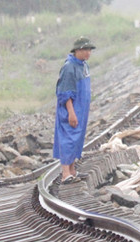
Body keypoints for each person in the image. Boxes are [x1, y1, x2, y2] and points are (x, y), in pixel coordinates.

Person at [53, 36, 95, 184]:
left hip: (81, 109)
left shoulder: (83, 65)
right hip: (71, 109)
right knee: (68, 139)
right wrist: (71, 112)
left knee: (76, 139)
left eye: (90, 50)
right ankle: (65, 173)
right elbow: (65, 92)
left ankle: (72, 170)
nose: (88, 53)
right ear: (77, 50)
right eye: (85, 50)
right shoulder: (69, 67)